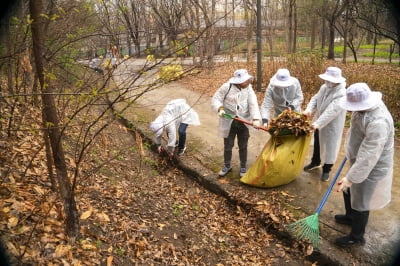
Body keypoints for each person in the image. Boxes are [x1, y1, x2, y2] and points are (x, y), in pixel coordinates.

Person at [335, 82, 394, 247]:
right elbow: (356, 132)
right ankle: (350, 217)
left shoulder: (378, 121)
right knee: (347, 188)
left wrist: (351, 177)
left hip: (372, 164)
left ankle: (357, 236)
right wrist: (350, 153)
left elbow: (370, 154)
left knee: (361, 199)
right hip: (358, 158)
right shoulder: (362, 110)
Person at [211, 69, 261, 177]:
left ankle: (243, 167)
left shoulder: (248, 89)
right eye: (245, 80)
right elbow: (216, 99)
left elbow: (253, 103)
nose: (248, 82)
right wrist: (220, 108)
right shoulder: (226, 87)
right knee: (228, 146)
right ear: (238, 81)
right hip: (229, 121)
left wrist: (256, 118)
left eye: (248, 80)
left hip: (243, 121)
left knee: (243, 146)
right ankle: (227, 165)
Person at [303, 66, 347, 182]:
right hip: (319, 122)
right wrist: (309, 109)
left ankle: (327, 169)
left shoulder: (342, 93)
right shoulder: (324, 87)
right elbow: (315, 99)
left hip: (332, 125)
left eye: (330, 80)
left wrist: (317, 123)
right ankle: (315, 162)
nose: (327, 82)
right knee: (317, 143)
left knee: (330, 147)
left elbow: (331, 111)